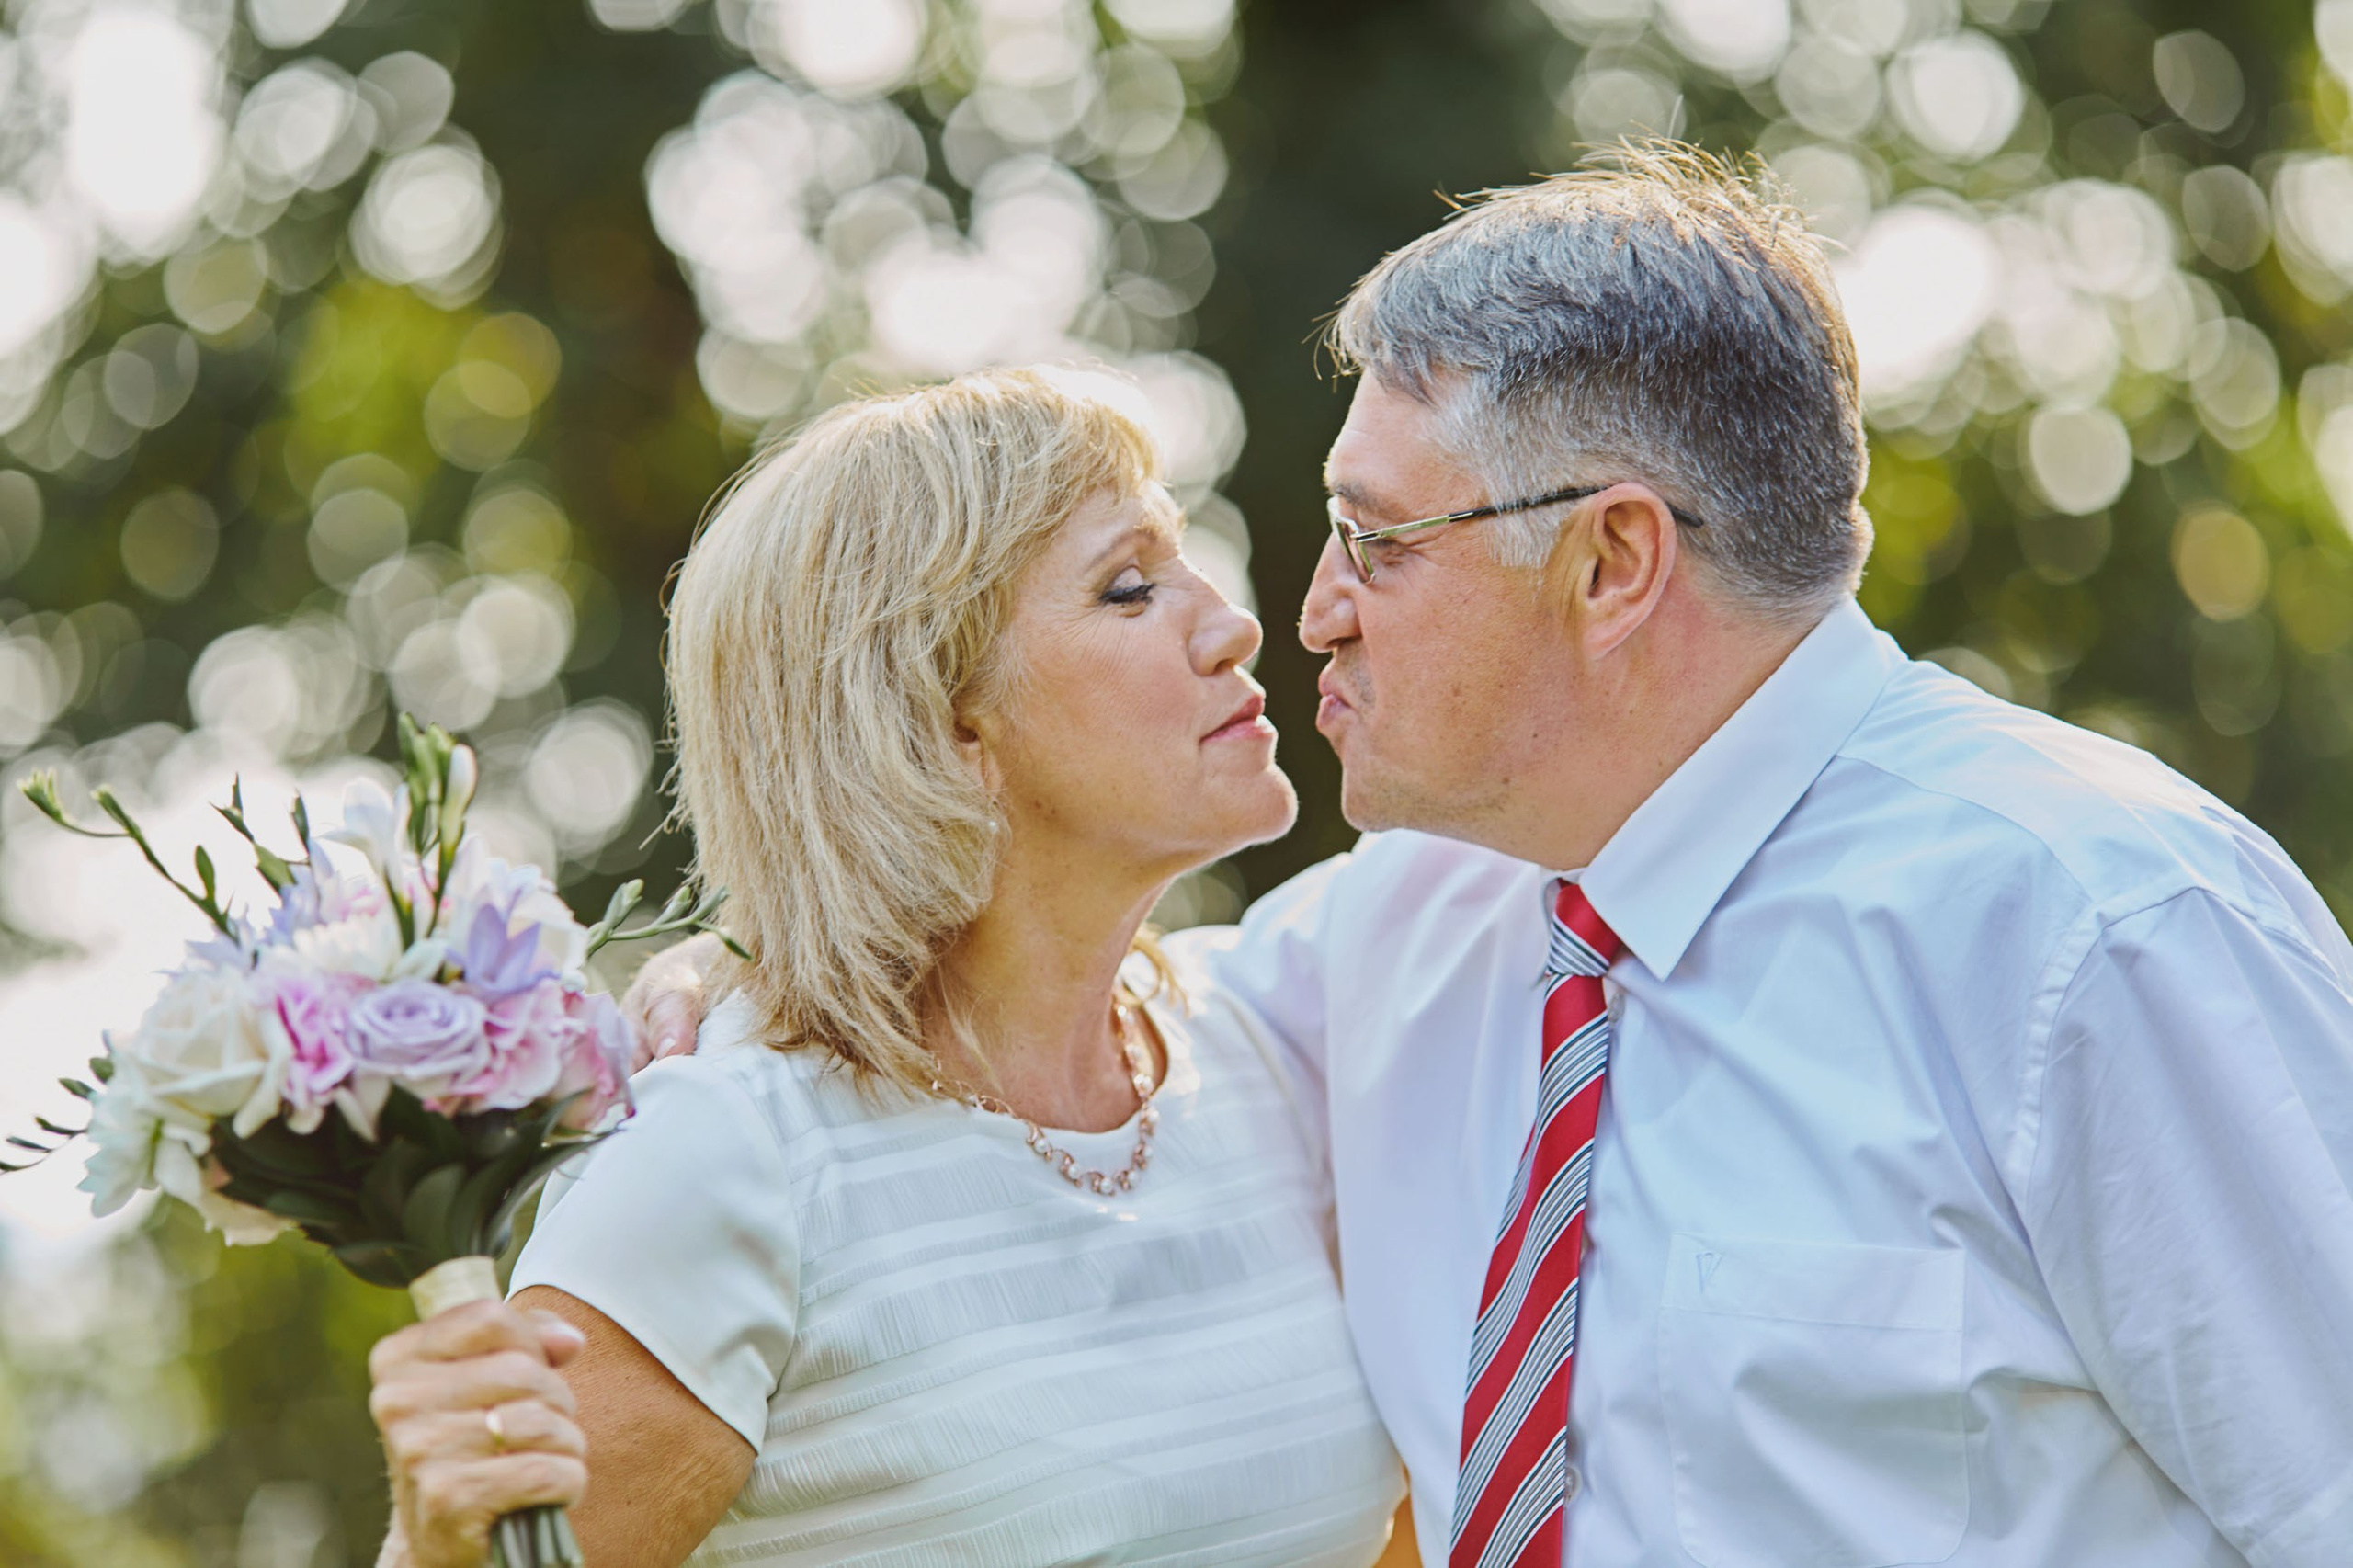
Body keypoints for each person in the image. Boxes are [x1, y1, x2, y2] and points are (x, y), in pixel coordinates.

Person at [638, 143, 2353, 1567]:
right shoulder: (1400, 932)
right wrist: (757, 959)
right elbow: (1045, 1012)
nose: (1305, 614)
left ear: (1612, 564)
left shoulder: (2101, 931)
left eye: (1377, 543)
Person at [363, 369, 1405, 1568]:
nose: (1231, 623)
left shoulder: (1270, 1039)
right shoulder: (728, 1157)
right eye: (1130, 586)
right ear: (947, 725)